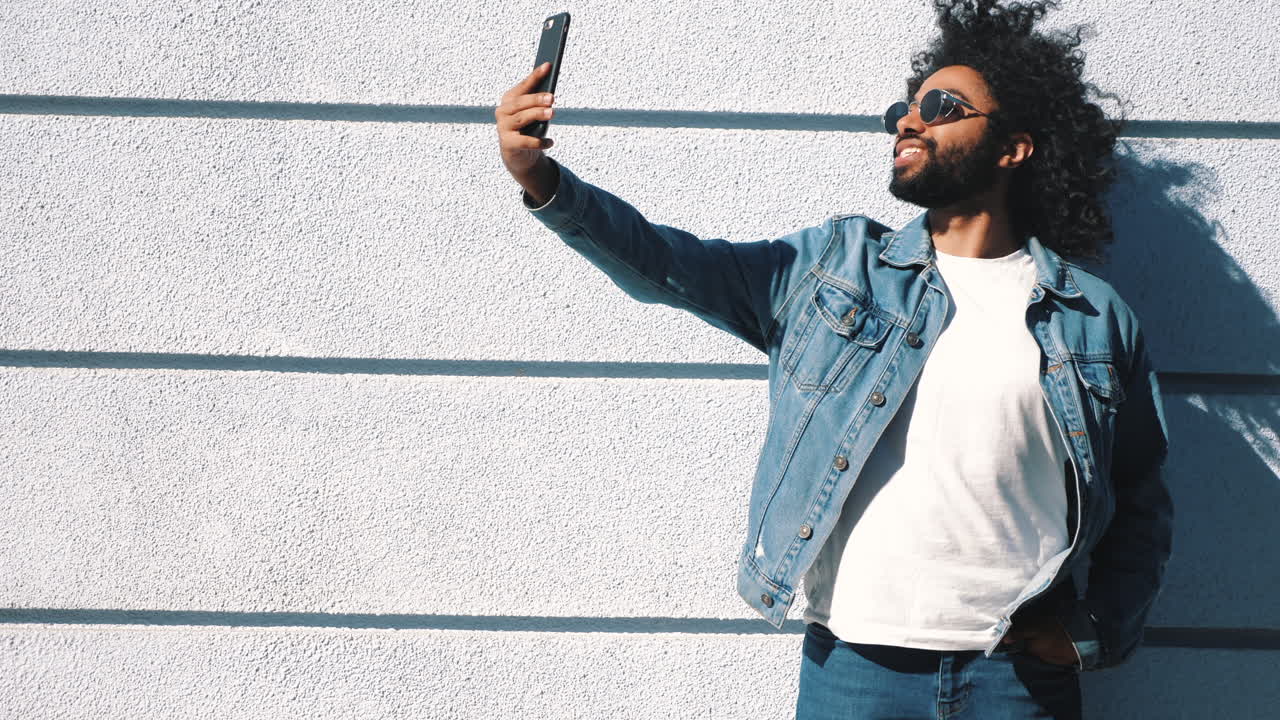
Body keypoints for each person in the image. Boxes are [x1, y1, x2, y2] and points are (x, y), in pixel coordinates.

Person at [494, 1, 1172, 717]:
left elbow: (1141, 498)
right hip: (855, 672)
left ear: (1014, 147)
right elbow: (667, 263)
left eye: (941, 107)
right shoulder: (836, 268)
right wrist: (542, 178)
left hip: (1015, 679)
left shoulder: (1093, 318)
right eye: (903, 109)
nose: (908, 121)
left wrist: (1093, 631)